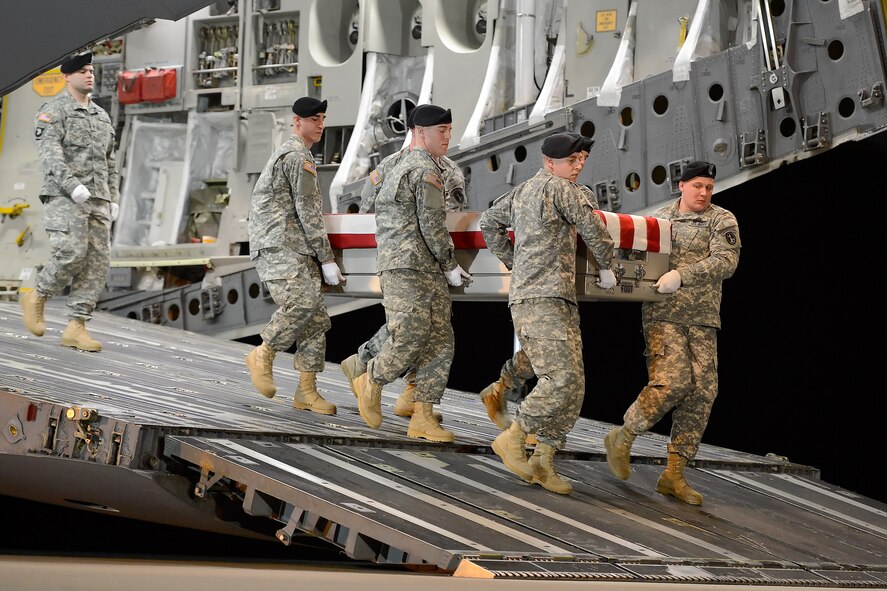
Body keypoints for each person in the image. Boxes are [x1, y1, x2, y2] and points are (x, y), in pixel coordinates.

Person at [479, 132, 616, 495]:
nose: (579, 166)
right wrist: (607, 265)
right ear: (550, 162)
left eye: (581, 160)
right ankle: (515, 437)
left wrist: (515, 262)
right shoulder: (562, 189)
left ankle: (544, 458)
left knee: (573, 384)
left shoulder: (523, 191)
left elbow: (489, 222)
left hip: (550, 297)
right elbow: (594, 230)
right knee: (562, 380)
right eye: (572, 161)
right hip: (542, 297)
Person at [603, 160, 740, 505]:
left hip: (703, 319)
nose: (704, 193)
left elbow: (727, 262)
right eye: (698, 186)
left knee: (703, 393)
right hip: (663, 314)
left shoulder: (722, 219)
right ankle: (625, 433)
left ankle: (674, 474)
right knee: (673, 382)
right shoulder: (660, 221)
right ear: (682, 186)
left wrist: (683, 275)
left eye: (709, 187)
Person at [352, 104, 470, 442]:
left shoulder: (403, 166)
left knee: (441, 342)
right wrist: (451, 265)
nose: (447, 136)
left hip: (423, 266)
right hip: (408, 266)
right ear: (419, 132)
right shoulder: (424, 170)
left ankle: (423, 414)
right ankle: (371, 378)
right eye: (441, 131)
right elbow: (433, 224)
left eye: (449, 129)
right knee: (408, 337)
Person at [245, 96, 345, 415]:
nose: (320, 125)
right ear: (297, 121)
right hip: (277, 244)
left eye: (323, 118)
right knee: (300, 303)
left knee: (315, 318)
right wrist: (327, 259)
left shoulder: (300, 154)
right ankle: (263, 353)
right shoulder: (296, 156)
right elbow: (308, 210)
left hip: (293, 244)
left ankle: (306, 392)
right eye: (314, 119)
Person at [21, 52, 120, 352]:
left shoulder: (101, 116)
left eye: (91, 70)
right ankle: (37, 295)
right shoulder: (54, 111)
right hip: (66, 197)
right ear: (67, 76)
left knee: (97, 263)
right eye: (82, 71)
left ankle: (77, 326)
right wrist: (72, 186)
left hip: (99, 199)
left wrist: (113, 196)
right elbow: (50, 154)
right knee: (70, 253)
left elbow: (110, 161)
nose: (89, 75)